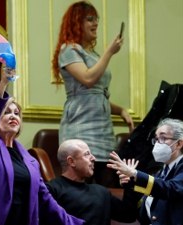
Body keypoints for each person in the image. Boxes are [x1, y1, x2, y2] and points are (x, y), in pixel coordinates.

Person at [0, 68, 84, 225]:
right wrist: (3, 83)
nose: (13, 116)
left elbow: (46, 201)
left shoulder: (30, 161)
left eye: (17, 113)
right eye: (6, 112)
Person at [51, 1, 133, 187]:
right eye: (89, 19)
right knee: (81, 188)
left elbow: (97, 95)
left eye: (96, 18)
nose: (95, 23)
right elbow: (88, 79)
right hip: (80, 128)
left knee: (109, 186)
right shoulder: (68, 49)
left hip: (103, 131)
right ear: (76, 22)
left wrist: (121, 111)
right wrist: (110, 52)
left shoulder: (94, 55)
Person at [108, 118, 183, 224]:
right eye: (156, 139)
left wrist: (134, 173)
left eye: (163, 137)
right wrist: (130, 181)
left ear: (179, 144)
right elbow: (139, 208)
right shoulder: (161, 174)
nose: (157, 143)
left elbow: (170, 189)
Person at [44, 139, 137, 225]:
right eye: (87, 154)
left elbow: (129, 216)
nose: (93, 158)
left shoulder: (102, 192)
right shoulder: (51, 190)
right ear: (71, 161)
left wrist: (129, 183)